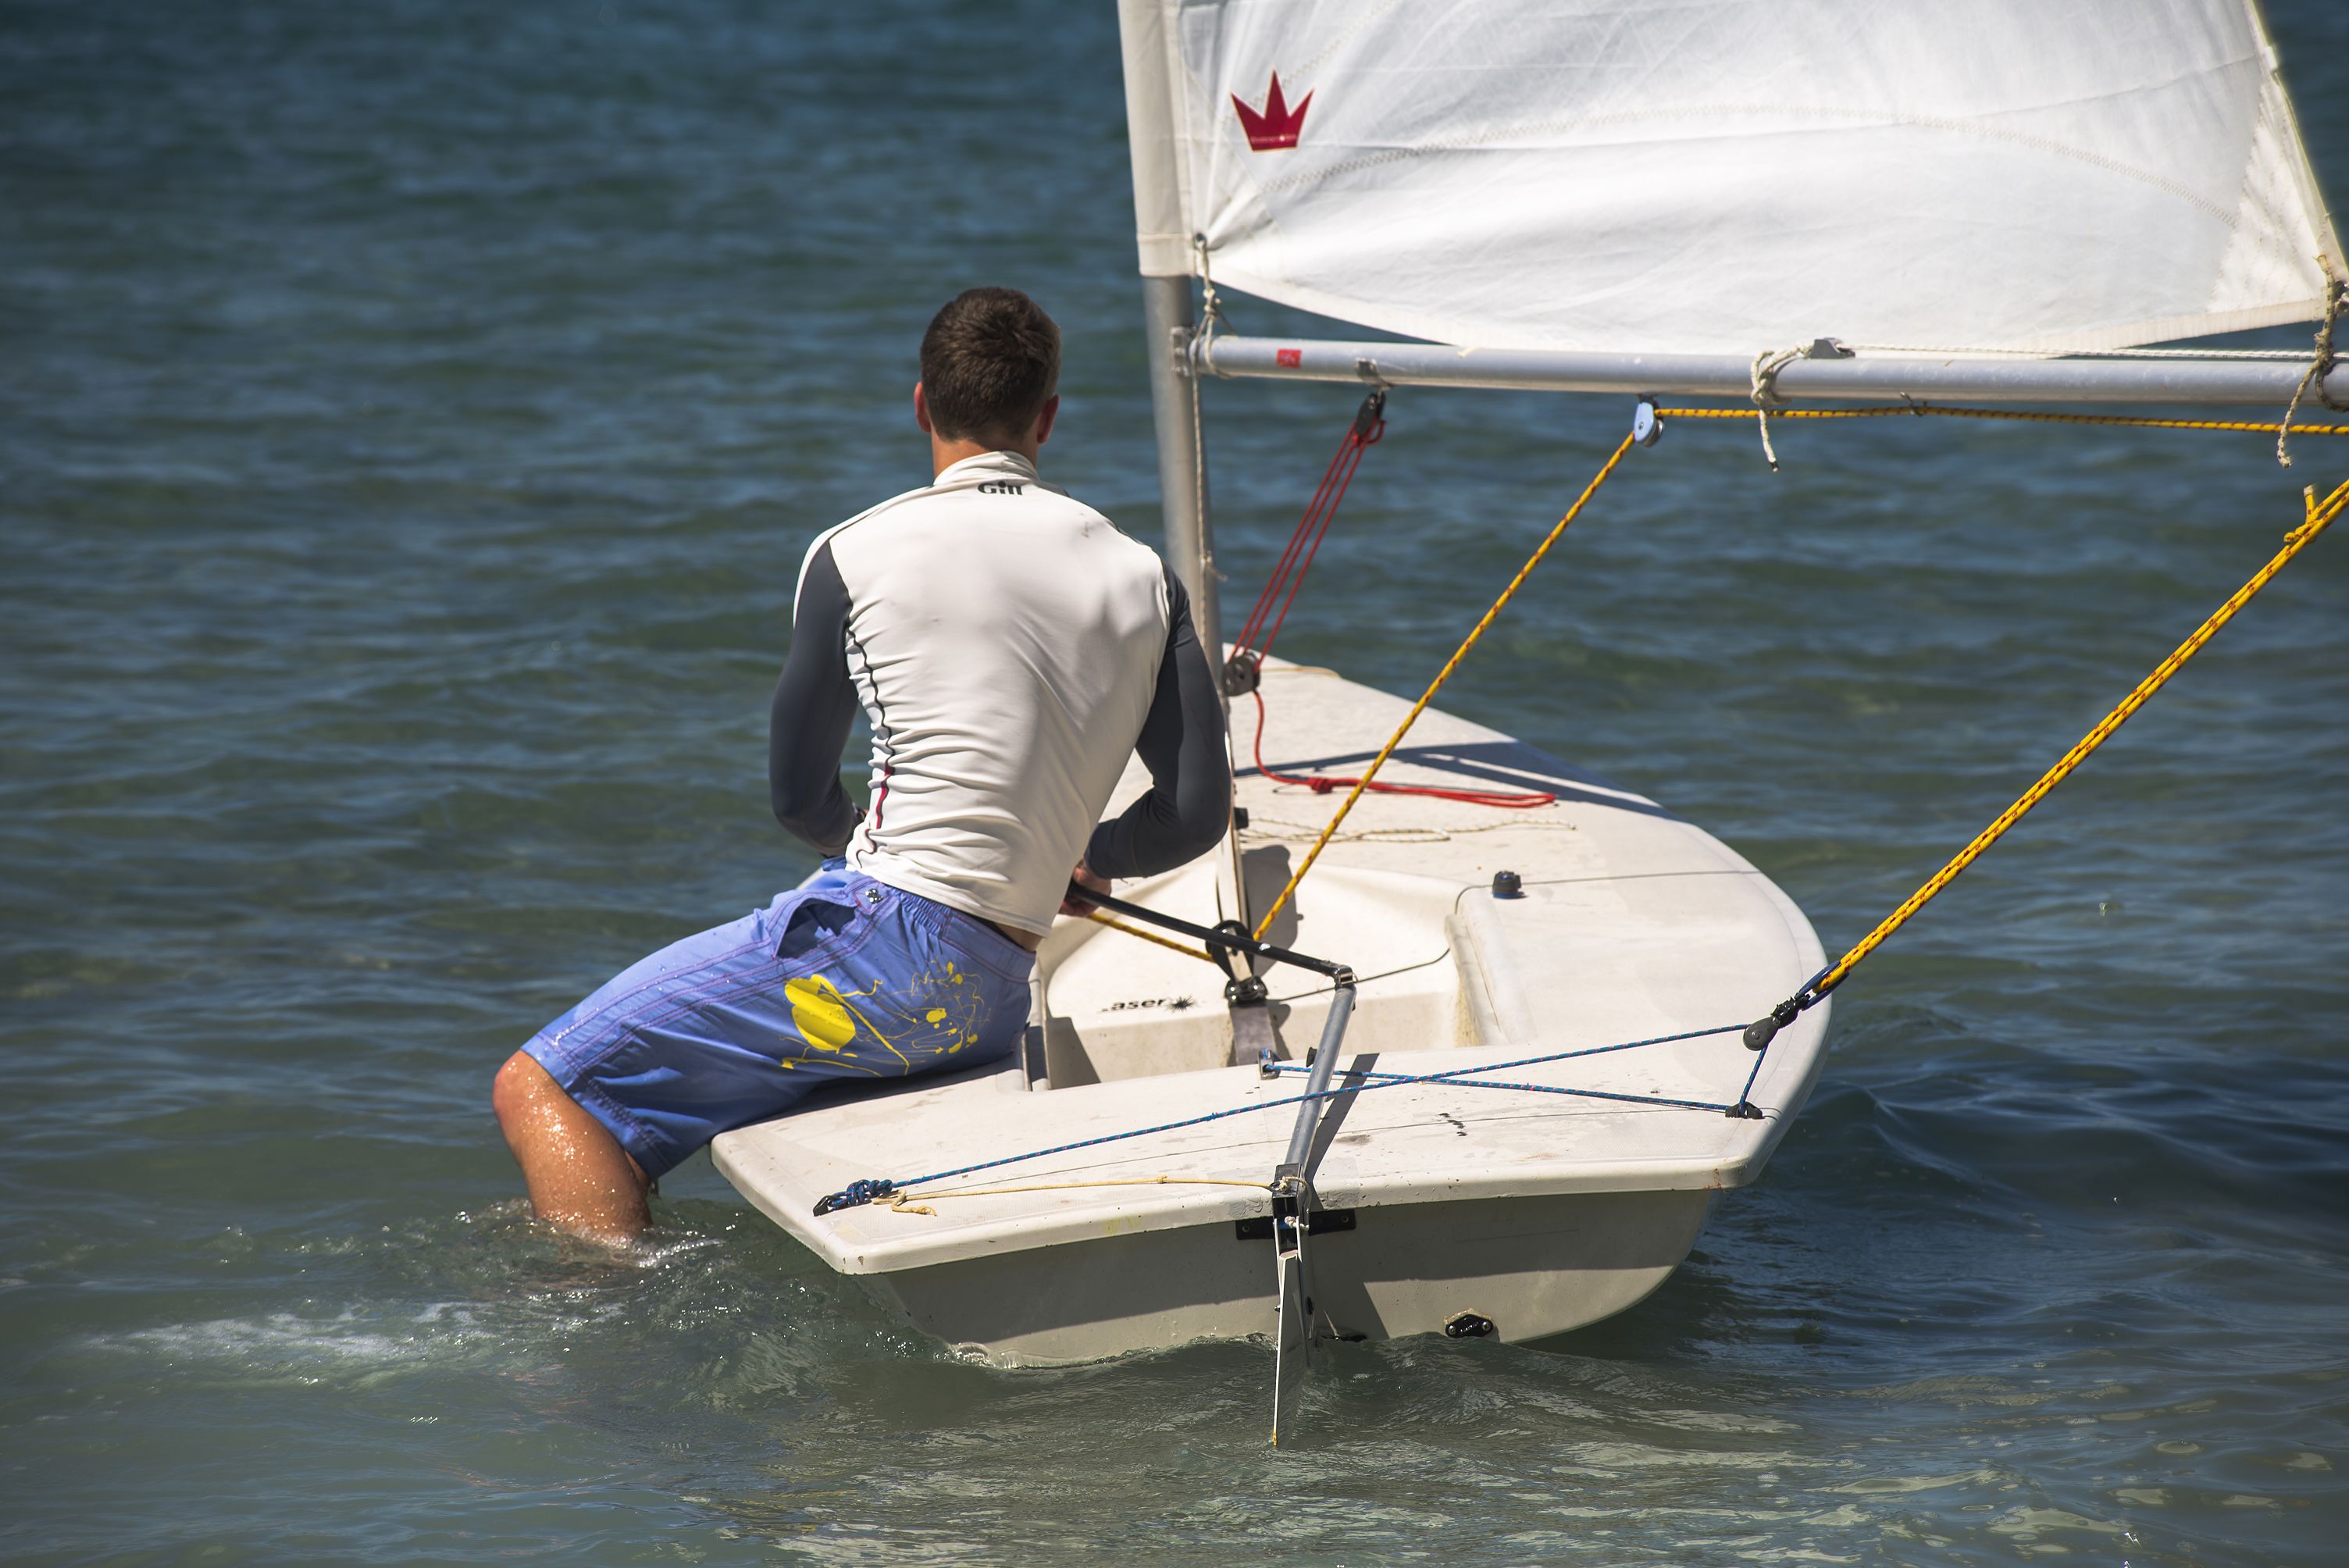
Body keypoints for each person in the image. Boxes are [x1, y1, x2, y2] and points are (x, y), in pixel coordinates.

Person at [491, 287, 1232, 1240]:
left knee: (549, 1089)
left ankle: (598, 1342)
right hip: (996, 991)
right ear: (1046, 417)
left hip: (880, 958)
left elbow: (801, 800)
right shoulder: (1142, 573)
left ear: (920, 404)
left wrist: (913, 864)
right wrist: (1072, 861)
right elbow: (1193, 813)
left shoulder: (854, 550)